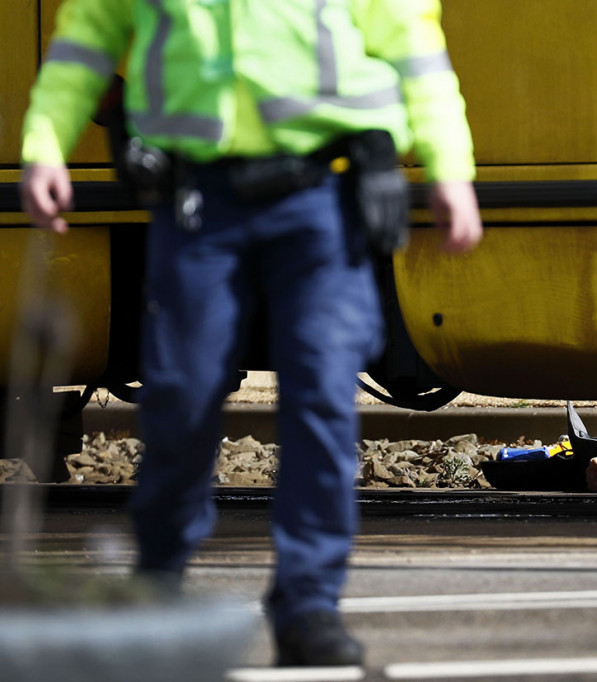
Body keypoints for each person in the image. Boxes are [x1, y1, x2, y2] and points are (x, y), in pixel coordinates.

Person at [20, 0, 482, 668]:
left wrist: (450, 165)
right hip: (198, 202)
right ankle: (158, 583)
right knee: (181, 396)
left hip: (323, 196)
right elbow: (86, 37)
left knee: (321, 397)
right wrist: (44, 145)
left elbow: (414, 44)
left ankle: (308, 605)